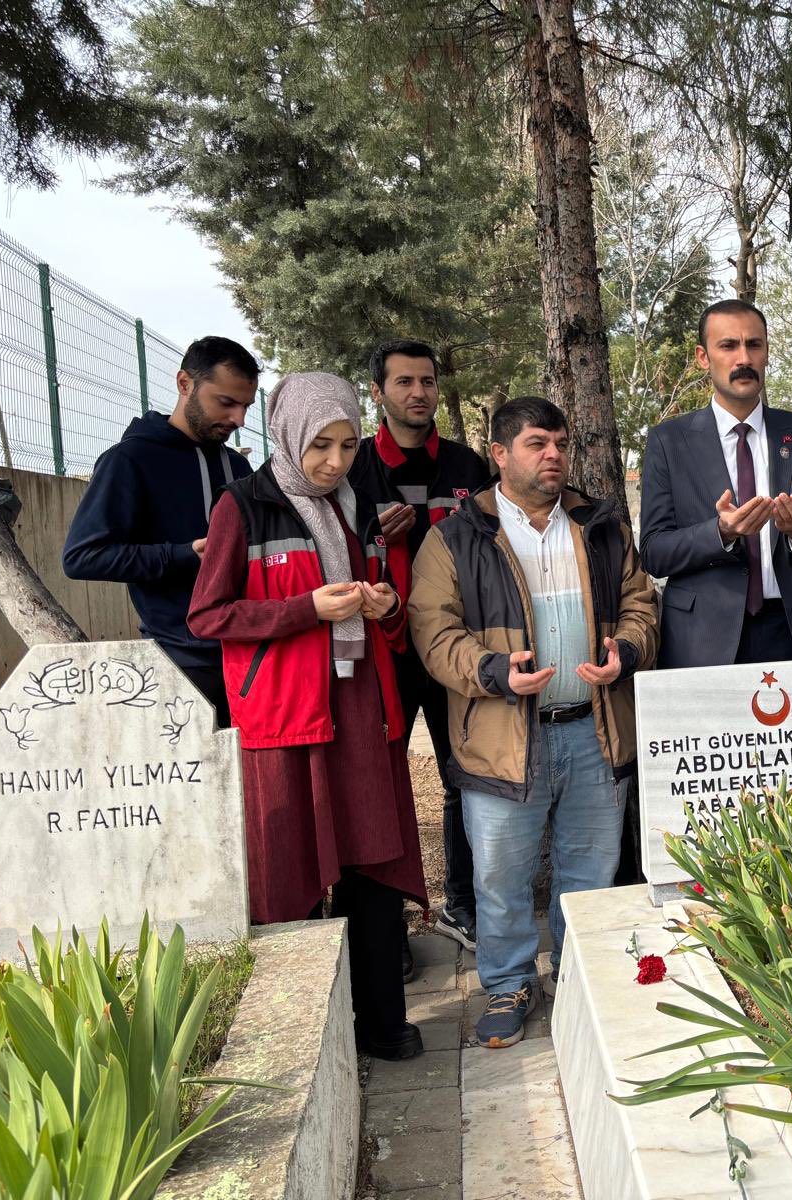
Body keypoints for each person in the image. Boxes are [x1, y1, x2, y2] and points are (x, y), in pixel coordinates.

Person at [187, 372, 427, 1060]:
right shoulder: (243, 506)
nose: (335, 462)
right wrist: (305, 610)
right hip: (285, 718)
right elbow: (208, 615)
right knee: (289, 875)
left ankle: (380, 1025)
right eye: (321, 445)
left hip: (361, 710)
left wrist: (386, 604)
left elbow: (389, 603)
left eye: (348, 445)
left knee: (371, 866)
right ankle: (298, 1043)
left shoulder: (360, 502)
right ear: (288, 435)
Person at [409, 397, 659, 1050]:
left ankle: (580, 979)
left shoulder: (601, 526)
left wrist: (626, 652)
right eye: (537, 444)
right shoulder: (456, 537)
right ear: (499, 454)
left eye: (561, 444)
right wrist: (493, 671)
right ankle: (509, 985)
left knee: (591, 873)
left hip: (594, 731)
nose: (554, 456)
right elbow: (433, 631)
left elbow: (641, 604)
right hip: (500, 739)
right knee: (500, 878)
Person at [352, 339, 491, 952]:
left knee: (465, 778)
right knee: (378, 784)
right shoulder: (354, 468)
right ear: (378, 392)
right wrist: (371, 536)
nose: (418, 393)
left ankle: (462, 906)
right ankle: (386, 930)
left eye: (427, 381)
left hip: (453, 651)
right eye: (404, 382)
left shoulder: (467, 467)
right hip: (379, 653)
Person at [64, 336, 258, 724]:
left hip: (251, 657)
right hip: (181, 664)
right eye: (226, 402)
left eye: (246, 407)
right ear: (185, 383)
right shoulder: (130, 460)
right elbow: (82, 557)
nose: (238, 419)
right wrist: (184, 554)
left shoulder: (238, 468)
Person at [641, 300, 792, 666]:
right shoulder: (669, 441)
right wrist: (720, 532)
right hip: (702, 637)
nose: (744, 358)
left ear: (767, 352)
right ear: (703, 357)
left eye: (754, 344)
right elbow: (655, 553)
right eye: (728, 345)